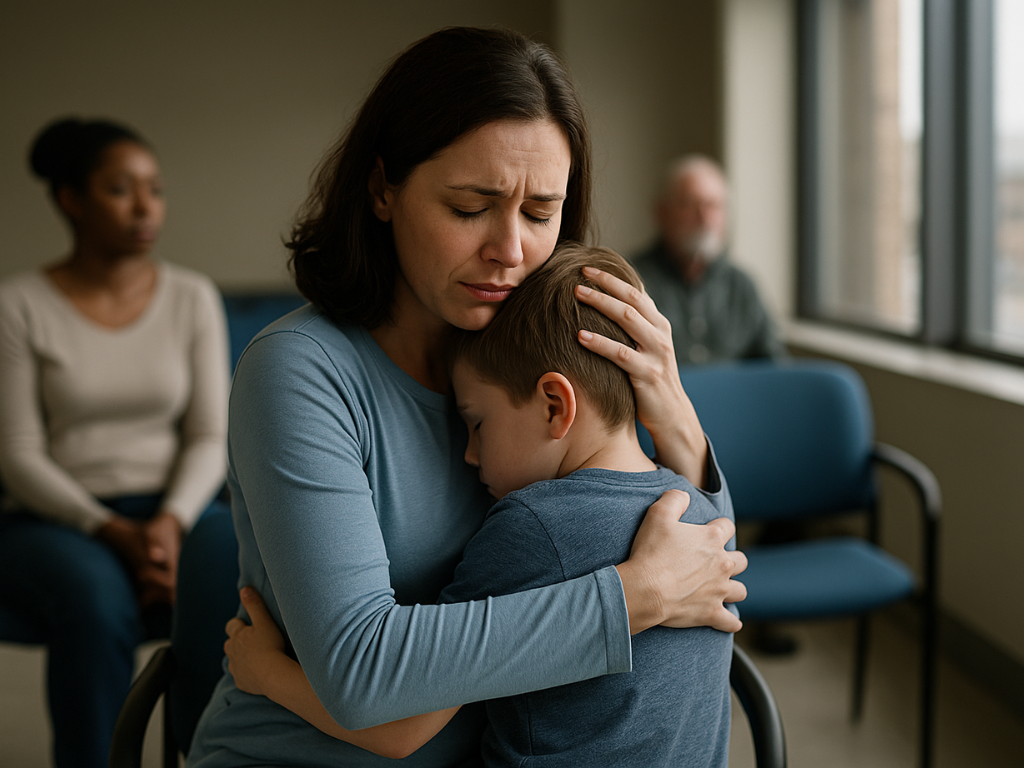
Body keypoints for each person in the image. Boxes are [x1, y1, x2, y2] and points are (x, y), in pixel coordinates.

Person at [186, 27, 747, 768]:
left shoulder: (527, 356)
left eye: (541, 212)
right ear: (383, 188)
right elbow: (363, 675)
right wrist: (634, 596)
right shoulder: (300, 372)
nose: (510, 250)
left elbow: (707, 573)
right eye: (469, 207)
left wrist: (673, 414)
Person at [223, 242, 737, 766]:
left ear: (555, 405)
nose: (468, 454)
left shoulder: (532, 528)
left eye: (476, 423)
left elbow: (398, 727)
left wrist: (265, 672)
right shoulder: (698, 515)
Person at [0, 117, 231, 768]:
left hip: (173, 508)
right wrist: (108, 529)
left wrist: (170, 523)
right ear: (71, 200)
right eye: (120, 189)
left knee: (228, 570)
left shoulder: (191, 297)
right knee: (95, 598)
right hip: (59, 519)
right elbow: (17, 453)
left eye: (154, 189)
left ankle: (218, 755)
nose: (144, 207)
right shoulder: (17, 305)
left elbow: (210, 434)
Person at [632, 154, 786, 366]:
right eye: (689, 204)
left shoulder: (742, 286)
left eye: (713, 205)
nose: (704, 218)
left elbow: (773, 369)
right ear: (662, 212)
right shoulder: (631, 280)